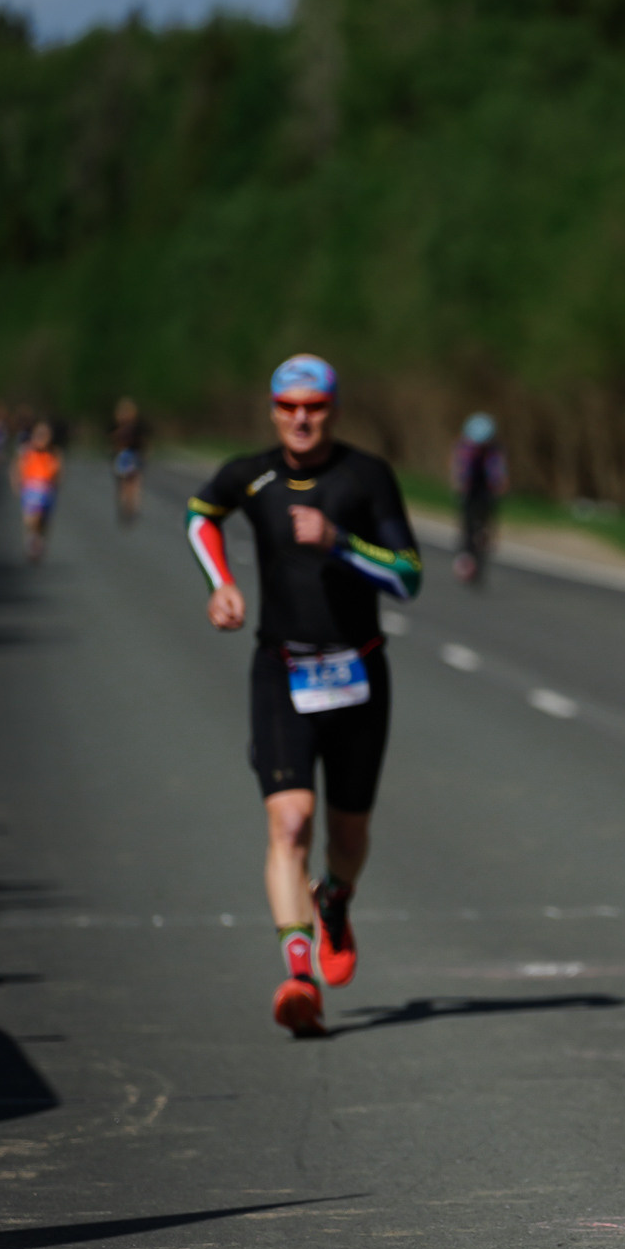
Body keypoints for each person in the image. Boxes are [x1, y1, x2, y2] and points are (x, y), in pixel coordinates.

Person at [188, 355, 423, 1037]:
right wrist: (220, 584)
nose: (300, 418)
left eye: (313, 406)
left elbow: (409, 577)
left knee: (348, 833)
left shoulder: (365, 477)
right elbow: (200, 517)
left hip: (359, 674)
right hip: (282, 671)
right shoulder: (251, 474)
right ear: (272, 409)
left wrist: (339, 541)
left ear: (333, 410)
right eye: (288, 405)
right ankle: (297, 972)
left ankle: (336, 900)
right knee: (289, 822)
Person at [451, 412, 507, 583]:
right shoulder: (465, 448)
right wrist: (460, 484)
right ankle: (465, 554)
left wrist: (500, 485)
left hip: (486, 490)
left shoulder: (495, 451)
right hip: (470, 490)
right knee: (467, 523)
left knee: (486, 520)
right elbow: (460, 470)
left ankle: (484, 539)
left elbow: (499, 471)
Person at [18, 421, 61, 562]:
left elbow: (59, 472)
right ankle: (32, 542)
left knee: (43, 522)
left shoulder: (54, 453)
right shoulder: (27, 451)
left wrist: (55, 485)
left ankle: (38, 541)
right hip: (31, 488)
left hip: (47, 489)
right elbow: (18, 467)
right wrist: (18, 483)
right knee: (32, 519)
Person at [110, 397, 149, 525]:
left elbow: (143, 443)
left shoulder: (137, 427)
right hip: (124, 457)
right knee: (125, 484)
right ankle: (127, 507)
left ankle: (131, 508)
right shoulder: (119, 427)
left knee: (133, 484)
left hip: (133, 456)